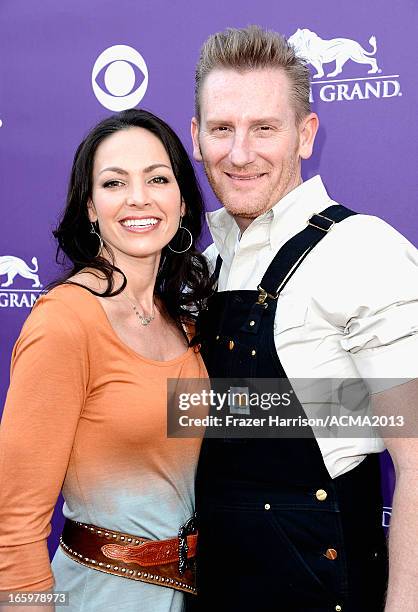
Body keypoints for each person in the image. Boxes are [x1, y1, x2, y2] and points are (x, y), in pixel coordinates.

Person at [189, 26, 418, 612]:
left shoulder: (361, 250)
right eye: (222, 129)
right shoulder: (199, 268)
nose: (240, 153)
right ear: (196, 137)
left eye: (264, 127)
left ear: (305, 134)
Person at [0, 109, 212, 611]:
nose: (138, 198)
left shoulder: (179, 319)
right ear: (91, 207)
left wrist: (374, 403)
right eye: (114, 183)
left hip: (189, 596)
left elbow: (205, 421)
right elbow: (15, 527)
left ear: (181, 201)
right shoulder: (65, 322)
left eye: (157, 179)